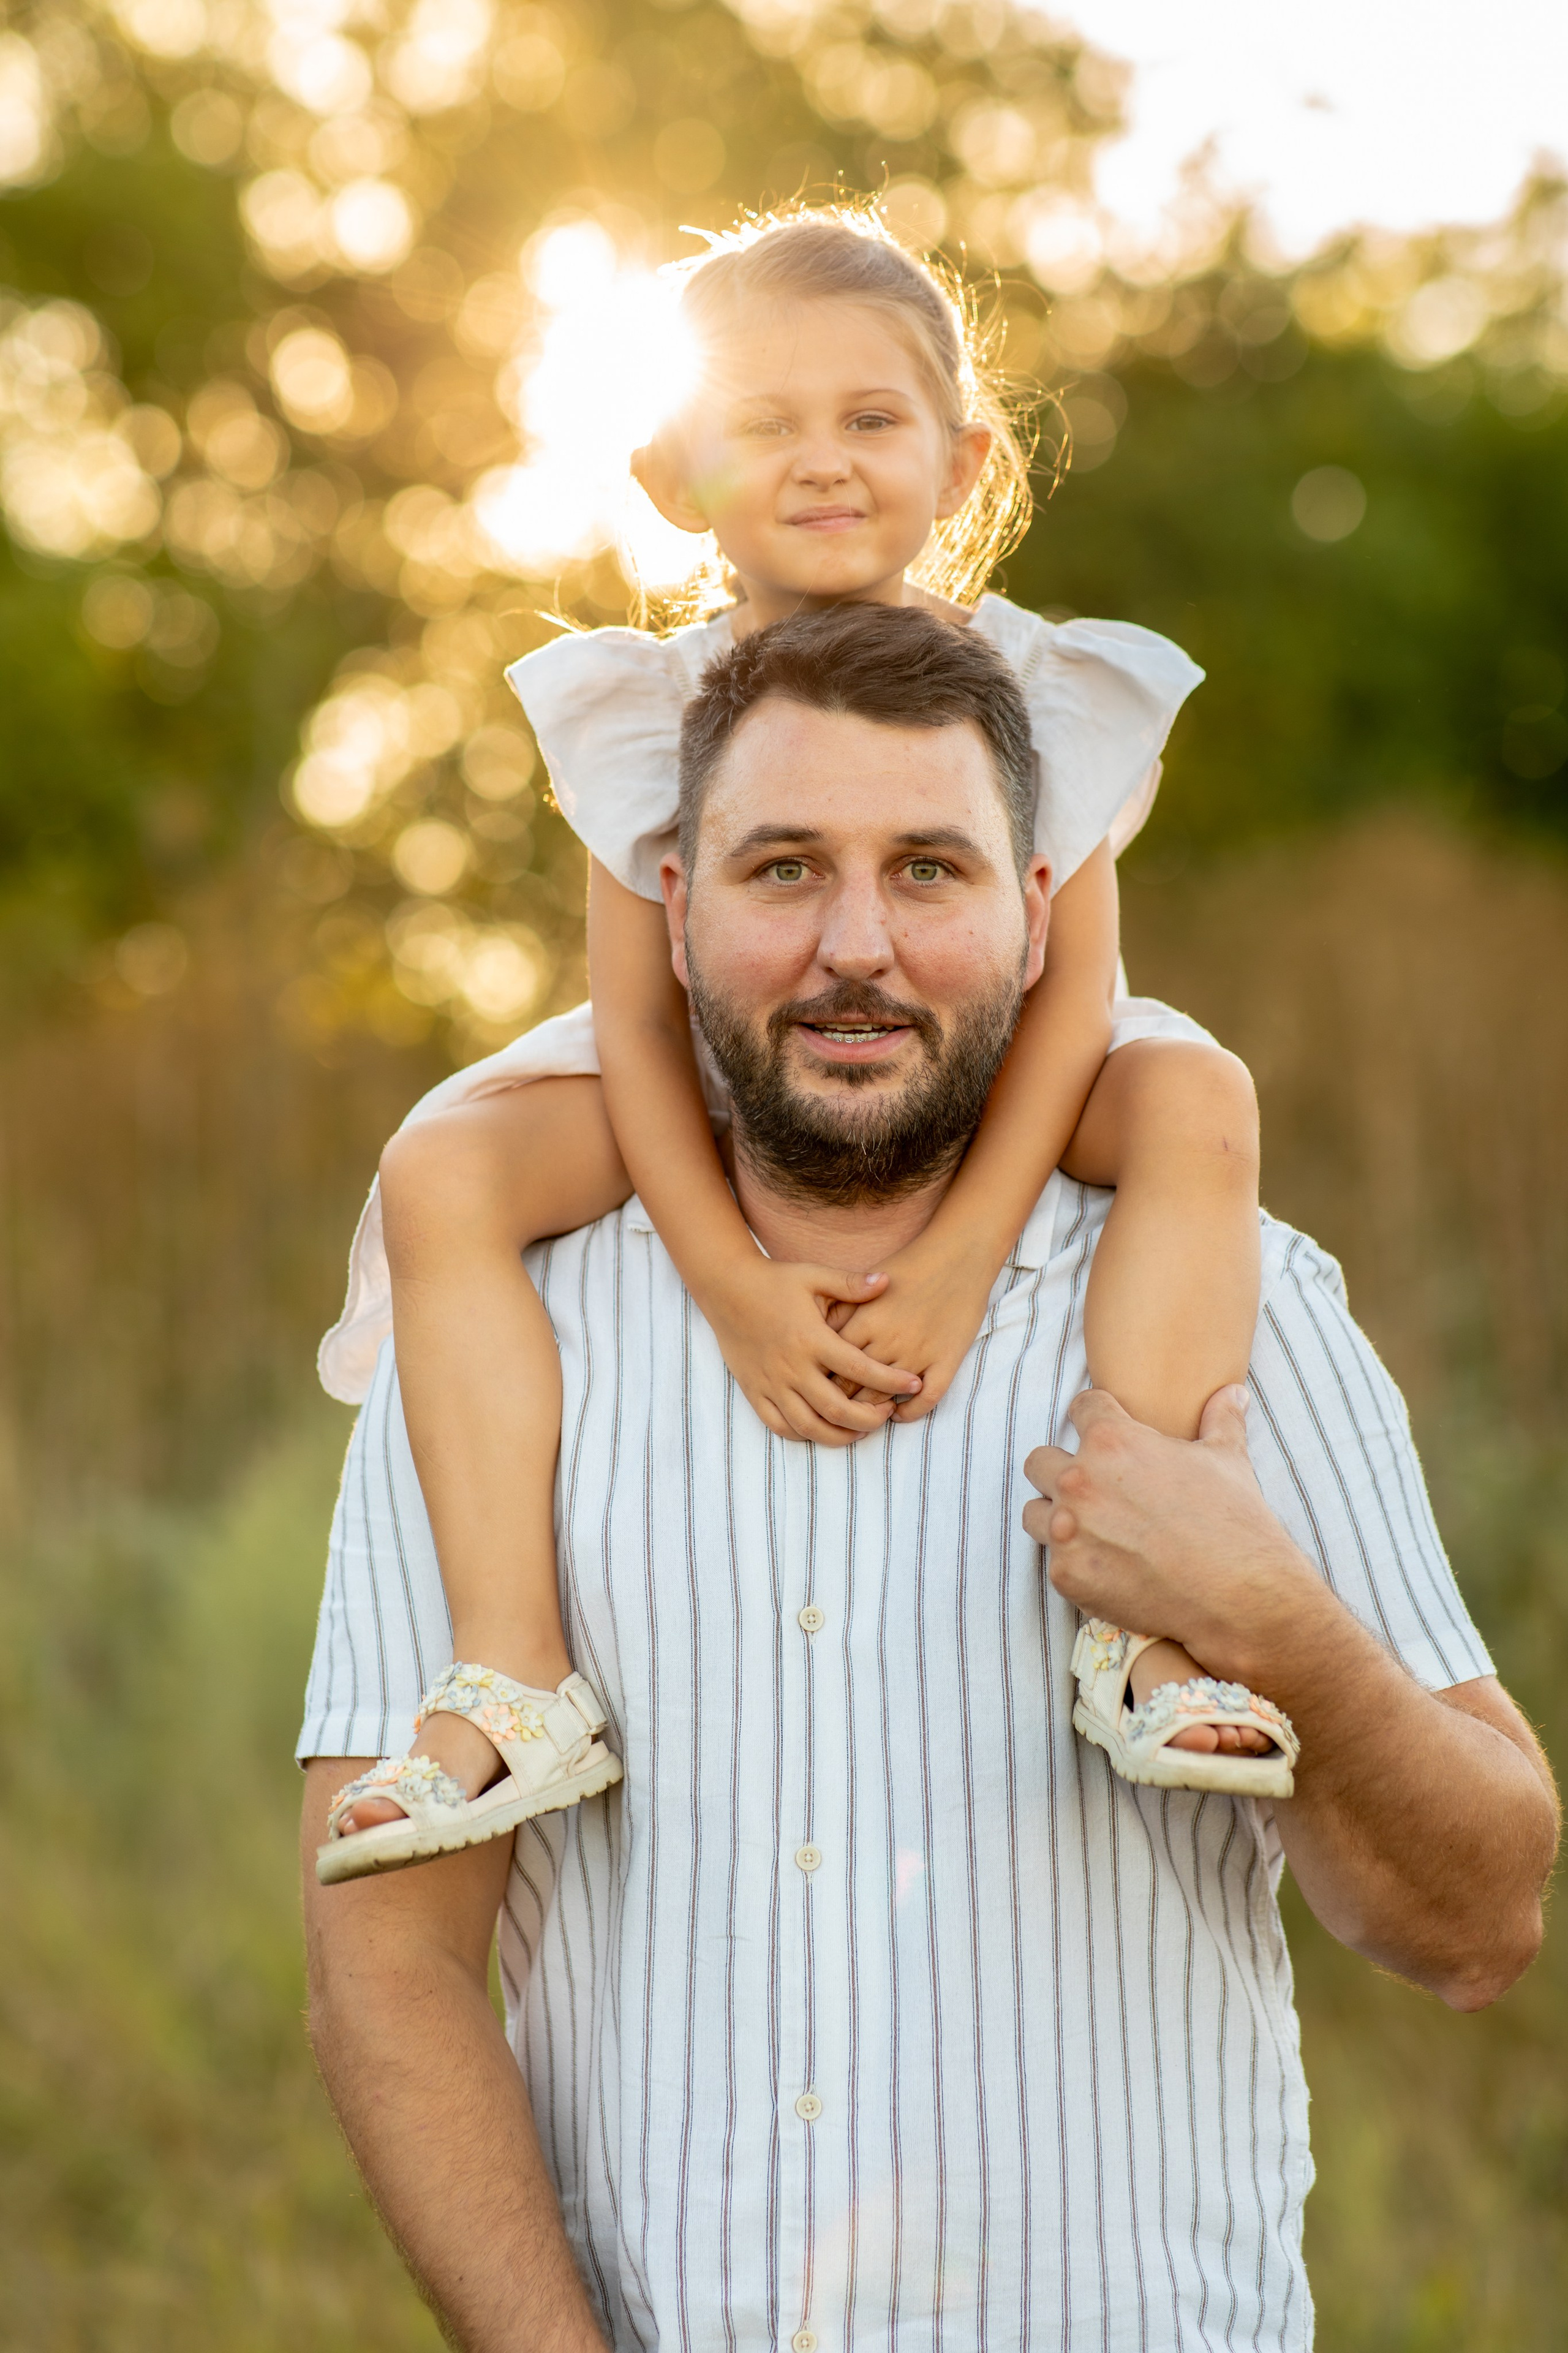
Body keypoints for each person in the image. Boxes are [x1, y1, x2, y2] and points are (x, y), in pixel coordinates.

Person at [299, 602, 1556, 2352]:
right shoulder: (498, 1339)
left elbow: (1482, 1915)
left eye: (932, 871)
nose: (857, 947)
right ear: (675, 908)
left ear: (1042, 916)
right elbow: (390, 1960)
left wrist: (1270, 1618)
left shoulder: (1238, 1305)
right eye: (786, 869)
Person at [317, 206, 1286, 1882]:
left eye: (871, 418)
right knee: (441, 1168)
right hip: (713, 1056)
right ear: (678, 473)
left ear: (964, 462)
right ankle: (517, 1666)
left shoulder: (1040, 691)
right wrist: (731, 1282)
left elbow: (1068, 994)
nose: (823, 462)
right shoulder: (646, 704)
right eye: (764, 422)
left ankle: (1148, 1632)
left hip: (988, 1044)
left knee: (1197, 1096)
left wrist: (970, 1253)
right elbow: (636, 1017)